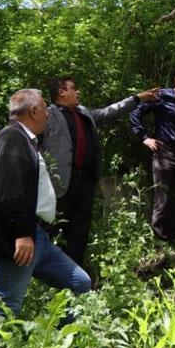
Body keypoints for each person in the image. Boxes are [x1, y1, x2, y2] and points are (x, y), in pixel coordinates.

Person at [0, 89, 91, 342]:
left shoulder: (26, 139)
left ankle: (60, 340)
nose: (48, 112)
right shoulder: (13, 138)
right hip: (20, 239)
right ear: (33, 111)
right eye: (44, 107)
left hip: (38, 237)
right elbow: (11, 190)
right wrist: (21, 234)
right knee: (6, 303)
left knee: (80, 282)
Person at [41, 76, 159, 266]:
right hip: (59, 185)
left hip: (85, 184)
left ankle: (73, 277)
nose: (78, 91)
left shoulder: (84, 113)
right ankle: (45, 275)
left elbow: (110, 112)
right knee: (51, 230)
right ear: (61, 92)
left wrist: (137, 98)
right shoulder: (46, 115)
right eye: (73, 88)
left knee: (79, 232)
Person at [130, 69, 175, 246]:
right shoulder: (162, 96)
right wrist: (145, 138)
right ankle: (161, 240)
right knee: (163, 197)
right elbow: (135, 113)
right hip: (164, 151)